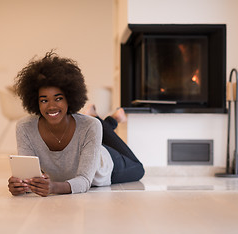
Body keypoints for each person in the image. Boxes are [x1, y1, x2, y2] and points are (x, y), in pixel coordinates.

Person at [8, 51, 144, 197]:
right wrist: (21, 185)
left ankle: (109, 121)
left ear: (69, 98)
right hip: (87, 137)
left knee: (138, 169)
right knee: (91, 126)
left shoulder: (89, 127)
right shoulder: (25, 127)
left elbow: (85, 180)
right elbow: (30, 179)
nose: (51, 106)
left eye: (58, 98)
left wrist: (53, 187)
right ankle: (105, 121)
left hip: (102, 165)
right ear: (35, 102)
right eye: (44, 100)